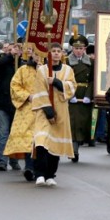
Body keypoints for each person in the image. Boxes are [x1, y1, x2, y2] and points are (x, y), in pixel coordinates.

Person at [32, 43, 75, 186]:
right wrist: (48, 111)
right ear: (48, 54)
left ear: (62, 53)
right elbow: (40, 90)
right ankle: (39, 174)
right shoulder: (42, 70)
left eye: (59, 51)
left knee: (55, 144)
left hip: (61, 111)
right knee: (42, 141)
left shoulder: (68, 70)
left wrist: (56, 82)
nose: (56, 54)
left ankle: (50, 174)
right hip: (44, 111)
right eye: (53, 51)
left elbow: (72, 87)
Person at [4, 51, 41, 181]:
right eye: (37, 55)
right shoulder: (23, 70)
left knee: (41, 140)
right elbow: (14, 86)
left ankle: (40, 169)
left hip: (44, 109)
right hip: (26, 109)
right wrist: (27, 96)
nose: (38, 57)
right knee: (28, 139)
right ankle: (29, 167)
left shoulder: (49, 70)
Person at [0, 42, 23, 171]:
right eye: (13, 49)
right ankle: (3, 161)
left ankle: (14, 160)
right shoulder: (3, 63)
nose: (16, 51)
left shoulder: (23, 64)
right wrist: (10, 56)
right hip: (3, 102)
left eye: (19, 49)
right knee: (3, 132)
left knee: (15, 134)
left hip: (18, 104)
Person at [67, 34, 94, 160]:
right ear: (72, 48)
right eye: (76, 48)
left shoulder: (91, 62)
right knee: (73, 123)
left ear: (85, 49)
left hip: (84, 95)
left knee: (82, 123)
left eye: (81, 48)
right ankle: (74, 149)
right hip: (71, 94)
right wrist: (69, 94)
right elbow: (64, 79)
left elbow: (93, 80)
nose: (78, 51)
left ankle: (79, 143)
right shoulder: (66, 61)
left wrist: (89, 95)